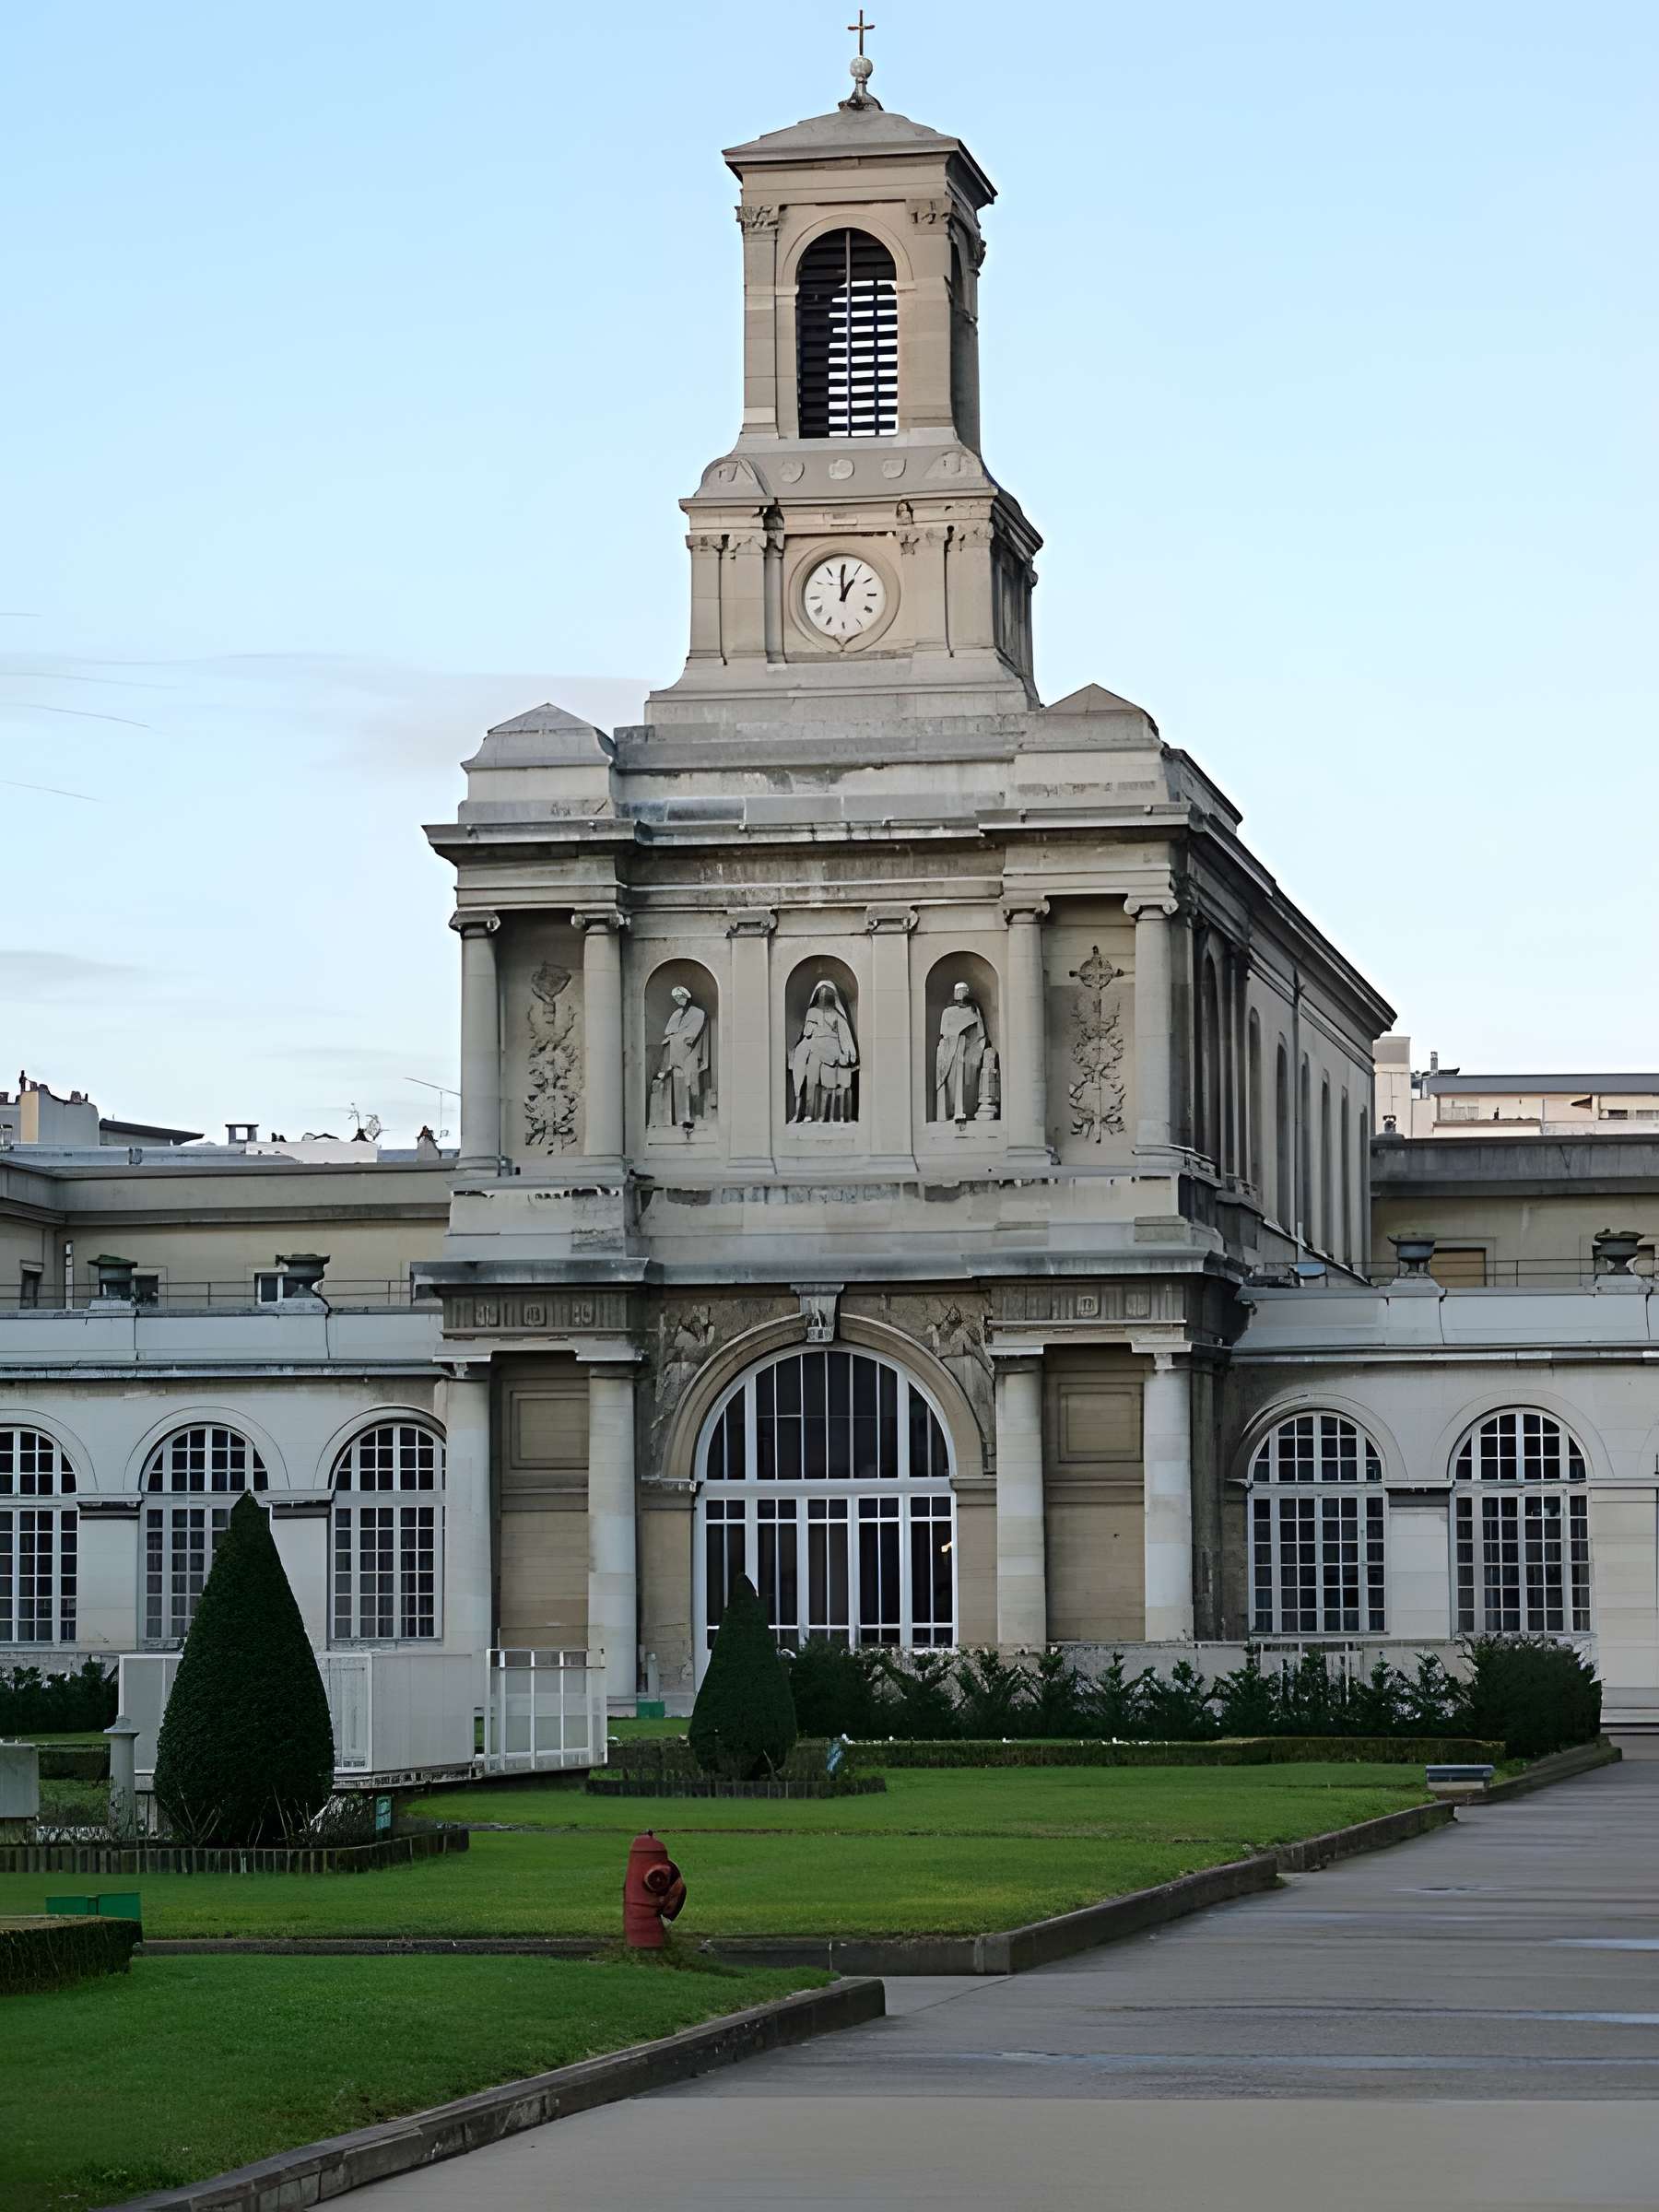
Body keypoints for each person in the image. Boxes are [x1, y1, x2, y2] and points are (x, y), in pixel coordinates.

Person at [790, 981, 858, 1122]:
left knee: (829, 1082)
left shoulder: (837, 1015)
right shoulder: (812, 1011)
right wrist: (813, 1027)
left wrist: (850, 1052)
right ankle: (807, 1113)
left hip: (832, 1049)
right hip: (814, 1047)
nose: (823, 996)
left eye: (826, 993)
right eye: (821, 993)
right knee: (811, 1080)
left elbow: (845, 1036)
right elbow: (807, 1032)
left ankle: (825, 1115)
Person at [651, 985, 710, 1128]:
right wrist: (674, 1036)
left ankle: (665, 1068)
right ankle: (666, 1068)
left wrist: (676, 1036)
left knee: (688, 1079)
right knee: (668, 1044)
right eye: (676, 998)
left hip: (689, 1050)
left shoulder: (697, 1013)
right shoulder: (677, 1013)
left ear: (687, 996)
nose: (678, 1000)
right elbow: (668, 1030)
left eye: (680, 997)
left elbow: (691, 1034)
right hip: (678, 1050)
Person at [935, 981, 993, 1123]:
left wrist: (975, 1050)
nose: (961, 993)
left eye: (963, 990)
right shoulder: (948, 1011)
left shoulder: (973, 1010)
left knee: (968, 1081)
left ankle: (967, 1110)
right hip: (951, 1051)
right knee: (953, 1082)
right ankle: (952, 1111)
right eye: (958, 990)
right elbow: (944, 1033)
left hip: (969, 1050)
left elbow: (980, 1033)